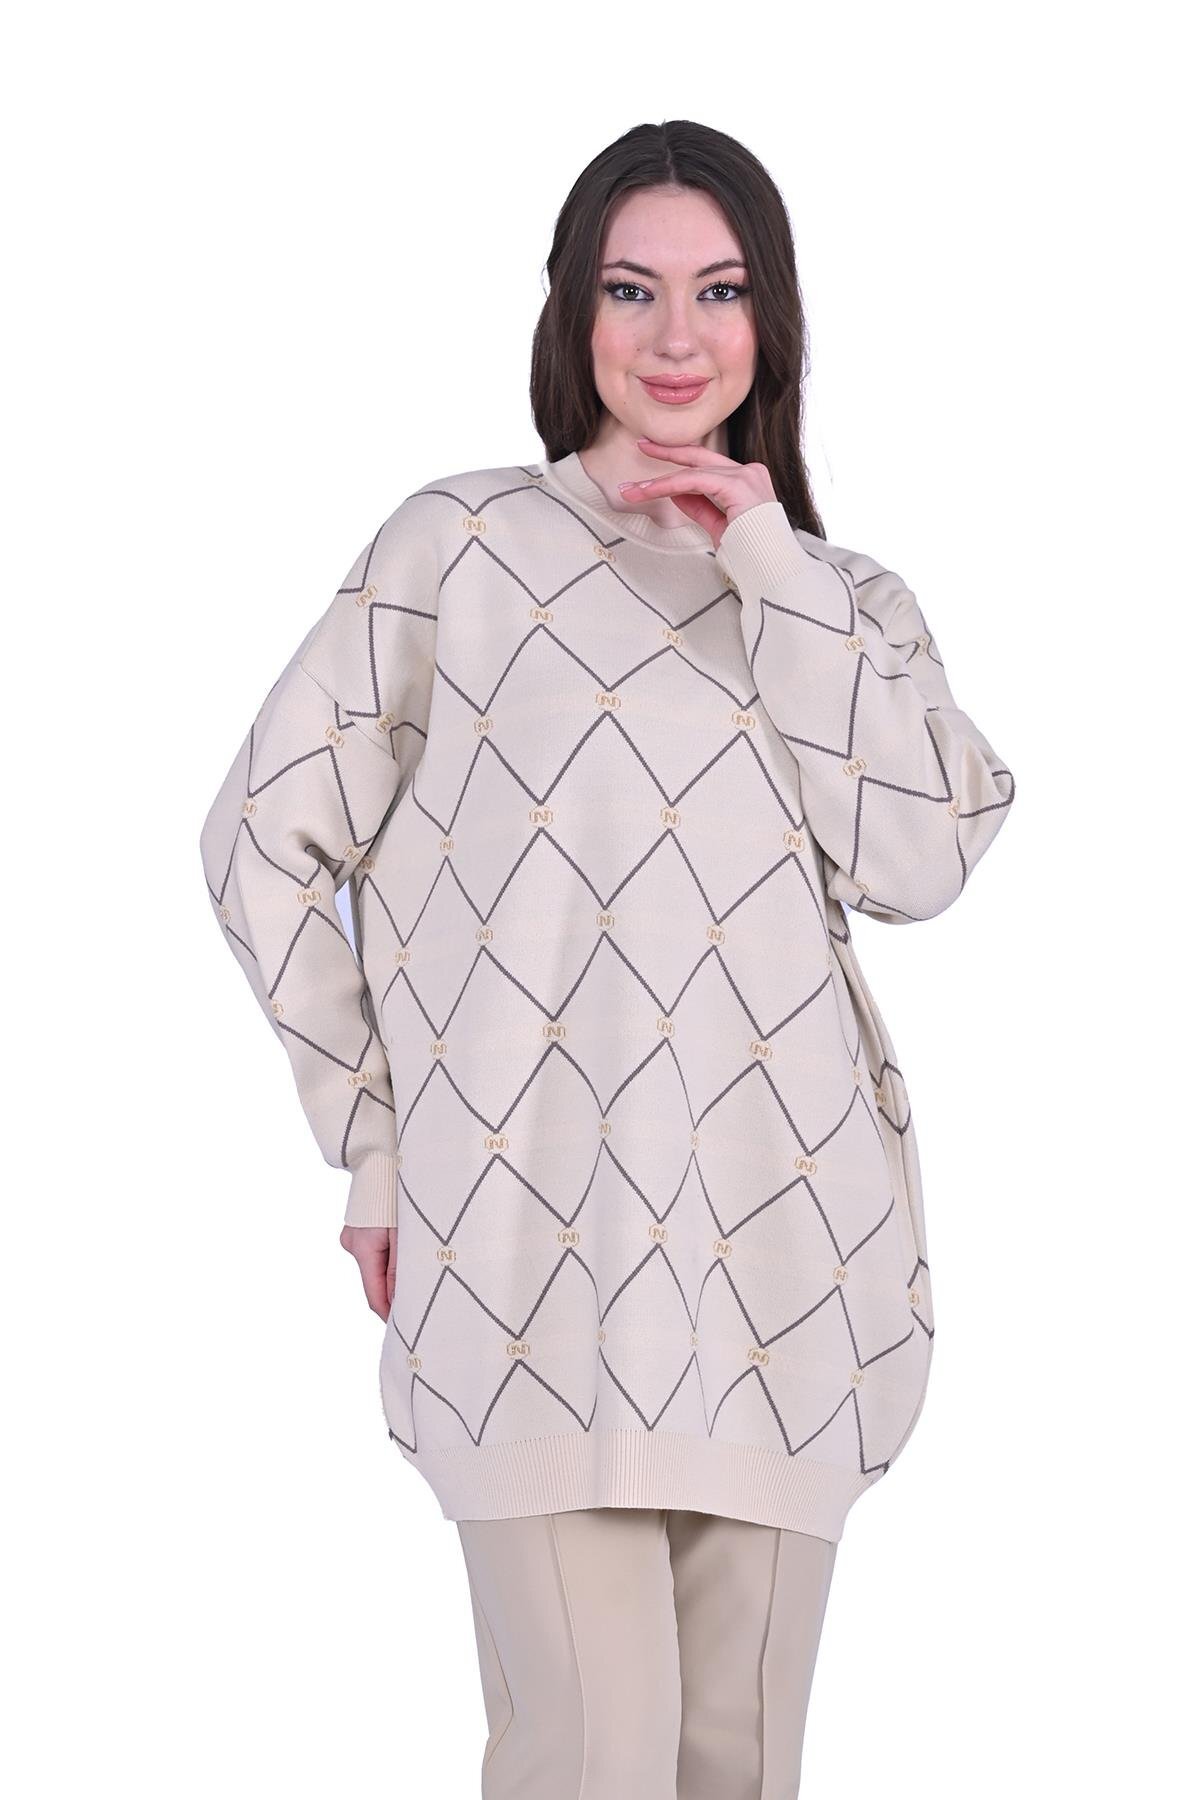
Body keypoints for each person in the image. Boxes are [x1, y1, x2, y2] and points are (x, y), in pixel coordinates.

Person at [198, 118, 1016, 1798]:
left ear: (774, 320)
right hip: (521, 1252)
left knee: (735, 1764)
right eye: (630, 289)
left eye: (720, 290)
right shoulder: (459, 550)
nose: (674, 337)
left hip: (787, 1266)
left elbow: (922, 857)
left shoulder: (846, 602)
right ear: (572, 310)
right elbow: (263, 838)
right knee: (595, 1753)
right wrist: (374, 1141)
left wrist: (765, 556)